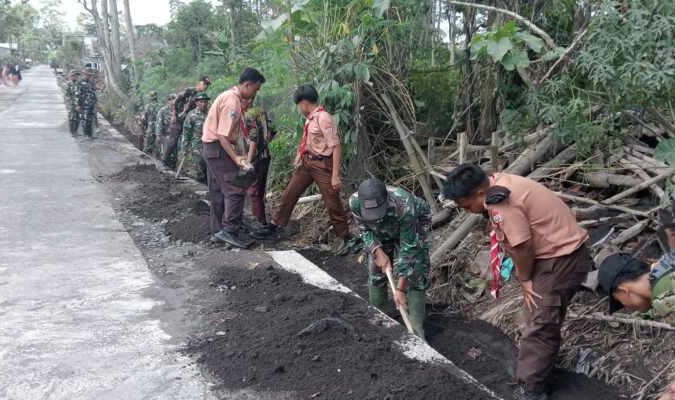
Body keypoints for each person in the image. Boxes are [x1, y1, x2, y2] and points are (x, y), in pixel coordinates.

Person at [442, 163, 594, 400]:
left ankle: (532, 389)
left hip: (562, 257)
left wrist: (524, 280)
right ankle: (533, 368)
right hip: (555, 252)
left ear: (480, 193)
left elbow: (523, 247)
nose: (469, 212)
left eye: (467, 206)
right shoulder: (497, 182)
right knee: (534, 316)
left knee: (540, 322)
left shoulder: (501, 203)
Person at [251, 85, 350, 247]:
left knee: (332, 201)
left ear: (304, 103)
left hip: (322, 165)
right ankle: (274, 227)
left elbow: (336, 146)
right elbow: (309, 140)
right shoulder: (310, 118)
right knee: (290, 193)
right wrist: (300, 154)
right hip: (307, 162)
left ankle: (345, 237)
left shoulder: (323, 118)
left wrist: (335, 175)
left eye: (299, 105)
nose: (299, 109)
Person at [349, 178, 432, 339]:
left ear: (387, 198)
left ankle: (416, 327)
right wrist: (378, 251)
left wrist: (400, 289)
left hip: (413, 222)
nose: (375, 216)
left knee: (416, 270)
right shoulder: (355, 203)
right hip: (379, 230)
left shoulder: (404, 205)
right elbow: (364, 230)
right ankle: (380, 320)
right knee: (376, 270)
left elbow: (409, 251)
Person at [201, 67, 265, 248]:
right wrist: (236, 158)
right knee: (236, 189)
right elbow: (222, 135)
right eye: (255, 90)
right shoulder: (233, 102)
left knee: (217, 191)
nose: (254, 95)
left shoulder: (228, 97)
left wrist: (237, 153)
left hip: (211, 147)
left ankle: (218, 233)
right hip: (218, 147)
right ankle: (229, 231)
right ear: (247, 85)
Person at [598, 227, 674, 326]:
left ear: (624, 290)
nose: (627, 307)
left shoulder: (664, 300)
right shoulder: (667, 264)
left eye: (620, 301)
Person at [245, 102, 277, 226]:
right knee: (259, 190)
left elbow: (253, 139)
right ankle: (262, 220)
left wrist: (248, 161)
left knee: (252, 192)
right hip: (265, 156)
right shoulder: (260, 111)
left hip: (255, 158)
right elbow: (271, 131)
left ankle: (259, 223)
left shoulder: (249, 115)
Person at [181, 91, 210, 183]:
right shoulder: (192, 114)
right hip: (197, 144)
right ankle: (201, 183)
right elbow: (186, 131)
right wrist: (185, 147)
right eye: (201, 102)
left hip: (210, 143)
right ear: (196, 103)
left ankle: (208, 183)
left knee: (209, 165)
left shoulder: (211, 113)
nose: (203, 104)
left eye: (205, 102)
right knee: (200, 163)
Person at [151, 94, 176, 159]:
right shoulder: (163, 110)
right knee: (165, 152)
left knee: (174, 154)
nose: (174, 102)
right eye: (172, 100)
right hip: (166, 135)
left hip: (175, 136)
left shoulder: (178, 110)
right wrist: (158, 135)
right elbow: (159, 123)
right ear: (169, 101)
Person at [77, 68, 97, 137]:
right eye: (87, 74)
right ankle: (86, 134)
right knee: (85, 119)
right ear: (84, 74)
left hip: (91, 104)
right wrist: (78, 105)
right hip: (84, 104)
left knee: (90, 120)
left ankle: (90, 134)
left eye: (89, 75)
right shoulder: (79, 83)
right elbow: (77, 94)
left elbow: (94, 93)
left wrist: (96, 103)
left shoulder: (91, 83)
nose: (88, 76)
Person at [64, 70, 82, 134]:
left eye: (76, 76)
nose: (76, 77)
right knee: (72, 117)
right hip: (71, 104)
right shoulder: (68, 84)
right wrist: (70, 103)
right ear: (71, 76)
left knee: (78, 118)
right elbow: (67, 95)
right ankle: (72, 132)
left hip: (79, 104)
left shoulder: (79, 84)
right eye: (74, 76)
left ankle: (75, 131)